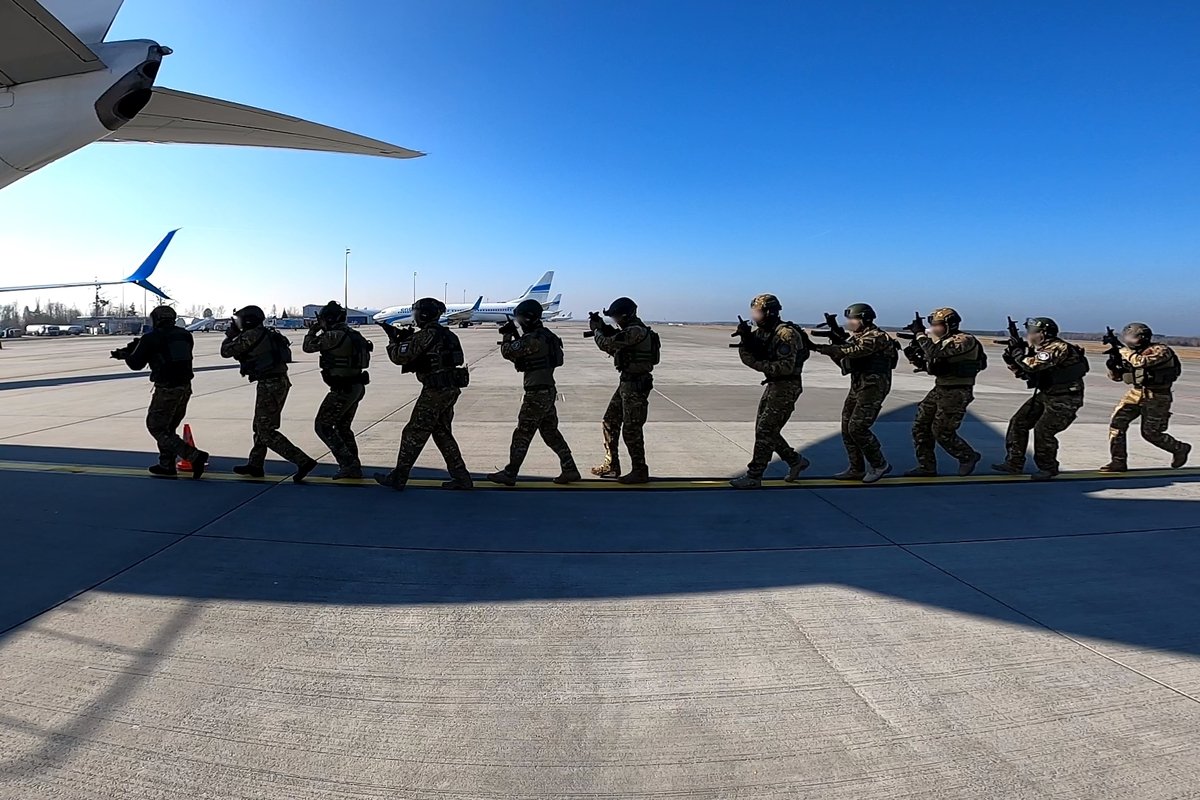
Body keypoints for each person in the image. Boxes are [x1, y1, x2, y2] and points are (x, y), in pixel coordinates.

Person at [374, 297, 473, 491]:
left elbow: (400, 357)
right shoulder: (448, 335)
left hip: (435, 391)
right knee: (442, 433)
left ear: (424, 314)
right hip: (450, 388)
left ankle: (399, 477)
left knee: (413, 432)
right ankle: (461, 477)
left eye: (417, 312)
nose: (415, 316)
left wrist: (394, 341)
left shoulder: (425, 335)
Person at [220, 304, 318, 482]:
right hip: (275, 382)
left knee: (266, 431)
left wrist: (230, 335)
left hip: (270, 384)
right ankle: (255, 465)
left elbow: (226, 352)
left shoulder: (252, 335)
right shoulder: (265, 333)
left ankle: (303, 461)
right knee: (260, 426)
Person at [488, 299, 580, 486]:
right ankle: (570, 469)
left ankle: (510, 472)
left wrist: (507, 336)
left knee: (523, 433)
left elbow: (508, 352)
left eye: (520, 319)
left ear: (528, 318)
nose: (519, 322)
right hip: (547, 389)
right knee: (550, 432)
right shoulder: (548, 336)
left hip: (536, 392)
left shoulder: (533, 339)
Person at [114, 305, 209, 478]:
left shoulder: (151, 338)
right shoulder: (185, 335)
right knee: (169, 428)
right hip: (185, 386)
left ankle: (194, 456)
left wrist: (126, 354)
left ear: (156, 320)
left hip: (167, 388)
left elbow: (136, 364)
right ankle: (166, 465)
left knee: (156, 427)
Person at [729, 294, 811, 489]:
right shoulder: (763, 332)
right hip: (774, 385)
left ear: (769, 312)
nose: (755, 316)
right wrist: (745, 339)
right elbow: (750, 352)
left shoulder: (785, 334)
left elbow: (785, 367)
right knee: (765, 430)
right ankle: (794, 460)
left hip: (786, 386)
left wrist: (757, 363)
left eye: (757, 312)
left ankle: (754, 475)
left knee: (766, 430)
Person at [992, 317, 1088, 481]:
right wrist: (1012, 360)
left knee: (1044, 430)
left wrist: (1018, 353)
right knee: (1018, 422)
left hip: (1065, 397)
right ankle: (1014, 462)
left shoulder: (1058, 348)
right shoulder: (1042, 350)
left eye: (1032, 332)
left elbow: (1032, 365)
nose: (1029, 335)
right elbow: (1026, 373)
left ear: (1043, 333)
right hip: (1047, 393)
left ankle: (1048, 468)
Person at [810, 303, 896, 483]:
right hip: (859, 385)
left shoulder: (876, 337)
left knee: (858, 428)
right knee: (847, 426)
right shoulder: (859, 337)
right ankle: (856, 468)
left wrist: (822, 348)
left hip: (873, 387)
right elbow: (845, 360)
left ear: (864, 319)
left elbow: (854, 351)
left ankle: (879, 464)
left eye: (853, 319)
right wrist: (836, 341)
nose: (850, 322)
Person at [902, 307, 985, 477]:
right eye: (933, 324)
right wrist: (916, 358)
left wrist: (920, 334)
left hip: (957, 392)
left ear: (950, 324)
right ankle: (926, 466)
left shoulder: (964, 340)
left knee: (942, 431)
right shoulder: (944, 341)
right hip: (940, 388)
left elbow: (935, 352)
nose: (934, 328)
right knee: (920, 427)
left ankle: (967, 456)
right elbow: (935, 364)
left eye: (938, 325)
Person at [1101, 322, 1190, 471]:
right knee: (1117, 424)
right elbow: (1117, 377)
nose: (1129, 341)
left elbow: (1141, 362)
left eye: (1132, 337)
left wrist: (1122, 350)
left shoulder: (1161, 350)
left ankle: (1179, 448)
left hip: (1157, 396)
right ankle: (1118, 461)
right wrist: (1112, 365)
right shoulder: (1130, 352)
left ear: (1143, 337)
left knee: (1150, 433)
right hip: (1135, 393)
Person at [589, 296, 659, 484]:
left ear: (626, 315)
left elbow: (608, 344)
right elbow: (616, 349)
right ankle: (612, 465)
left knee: (631, 429)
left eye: (617, 318)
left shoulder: (635, 331)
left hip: (636, 385)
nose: (616, 322)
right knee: (610, 421)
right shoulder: (631, 331)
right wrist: (603, 328)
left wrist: (597, 331)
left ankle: (639, 470)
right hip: (627, 384)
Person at [303, 301, 374, 480]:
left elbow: (308, 346)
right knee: (343, 427)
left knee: (323, 426)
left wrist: (313, 330)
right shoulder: (353, 334)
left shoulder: (334, 335)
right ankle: (353, 465)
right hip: (355, 386)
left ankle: (348, 464)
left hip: (343, 388)